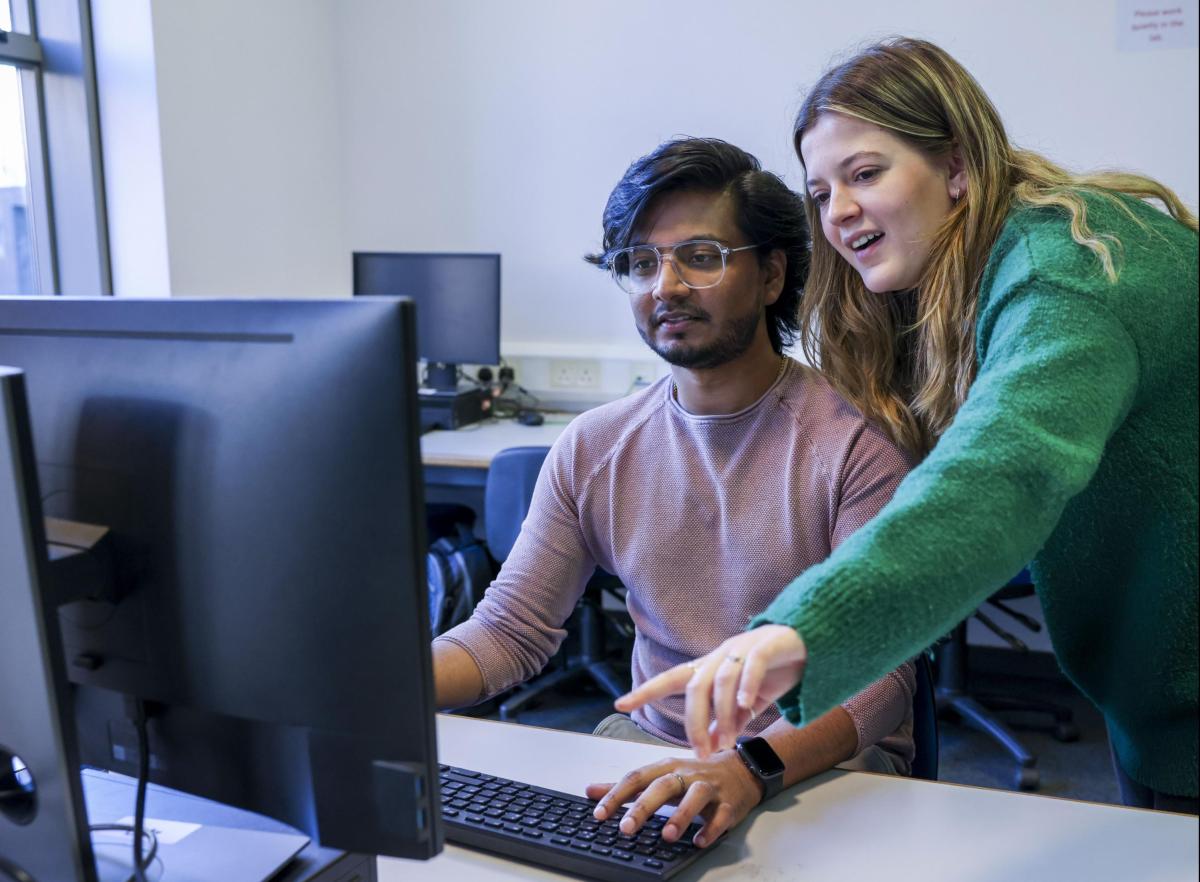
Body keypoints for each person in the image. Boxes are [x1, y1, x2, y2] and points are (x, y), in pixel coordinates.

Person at [618, 38, 1199, 812]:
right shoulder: (973, 279)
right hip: (1156, 694)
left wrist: (800, 634)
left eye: (865, 173)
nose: (839, 212)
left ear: (957, 167)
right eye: (820, 193)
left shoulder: (1071, 273)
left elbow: (998, 478)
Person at [432, 137, 919, 848]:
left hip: (821, 764)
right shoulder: (595, 446)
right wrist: (386, 685)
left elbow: (879, 678)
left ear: (772, 274)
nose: (667, 285)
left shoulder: (854, 444)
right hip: (650, 751)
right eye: (641, 262)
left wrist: (746, 767)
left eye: (701, 256)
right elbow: (509, 634)